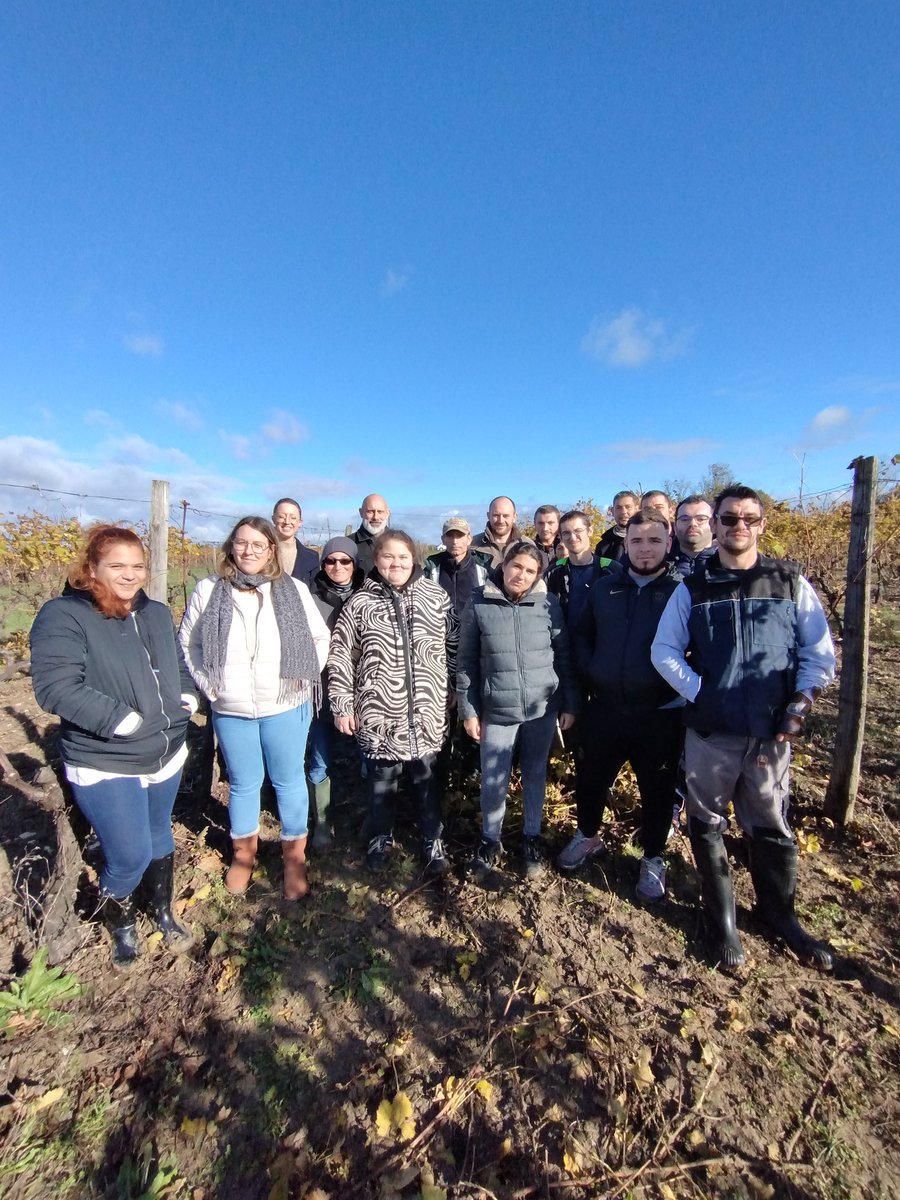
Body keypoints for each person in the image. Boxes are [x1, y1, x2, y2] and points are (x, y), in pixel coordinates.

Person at [651, 485, 836, 970]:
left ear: (761, 525)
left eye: (748, 519)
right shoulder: (693, 588)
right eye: (729, 518)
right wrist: (701, 692)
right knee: (707, 822)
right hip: (711, 732)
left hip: (770, 732)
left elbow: (818, 652)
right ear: (715, 525)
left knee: (770, 824)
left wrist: (801, 700)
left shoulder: (789, 582)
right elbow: (664, 651)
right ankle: (722, 922)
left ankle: (780, 914)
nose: (739, 527)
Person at [30, 524, 198, 970]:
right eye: (117, 566)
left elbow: (177, 663)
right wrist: (120, 721)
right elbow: (55, 687)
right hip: (108, 758)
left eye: (137, 566)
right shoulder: (65, 615)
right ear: (92, 568)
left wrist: (185, 697)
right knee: (128, 855)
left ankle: (162, 911)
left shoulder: (155, 613)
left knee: (159, 833)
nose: (129, 575)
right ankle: (121, 924)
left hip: (166, 751)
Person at [180, 516, 330, 900]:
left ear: (270, 551)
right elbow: (189, 643)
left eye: (257, 544)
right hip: (231, 708)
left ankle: (294, 858)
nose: (248, 551)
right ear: (231, 546)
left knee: (288, 780)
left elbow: (319, 637)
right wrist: (209, 685)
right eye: (242, 543)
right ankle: (243, 856)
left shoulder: (293, 589)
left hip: (285, 704)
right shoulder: (209, 590)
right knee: (243, 783)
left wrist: (303, 676)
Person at [558, 512, 682, 902]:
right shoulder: (604, 588)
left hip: (660, 713)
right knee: (590, 778)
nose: (645, 549)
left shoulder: (681, 592)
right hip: (605, 708)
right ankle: (587, 835)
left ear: (668, 543)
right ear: (625, 544)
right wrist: (592, 671)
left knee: (657, 789)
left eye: (654, 541)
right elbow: (582, 636)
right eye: (637, 541)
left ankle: (653, 857)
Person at [328, 529, 458, 876]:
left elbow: (454, 645)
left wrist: (454, 686)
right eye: (388, 556)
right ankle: (380, 837)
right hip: (379, 712)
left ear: (414, 559)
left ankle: (432, 839)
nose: (396, 563)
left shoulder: (435, 597)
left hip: (427, 710)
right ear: (376, 560)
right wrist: (342, 703)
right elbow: (341, 654)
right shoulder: (360, 603)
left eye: (403, 557)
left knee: (427, 779)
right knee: (382, 780)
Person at [457, 541, 578, 880]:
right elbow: (466, 662)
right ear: (505, 565)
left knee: (535, 773)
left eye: (530, 571)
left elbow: (563, 654)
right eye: (516, 566)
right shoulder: (479, 602)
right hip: (497, 710)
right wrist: (469, 710)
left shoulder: (548, 604)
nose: (521, 575)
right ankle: (490, 840)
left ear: (537, 575)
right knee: (493, 778)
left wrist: (569, 702)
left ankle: (531, 837)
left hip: (542, 709)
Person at [306, 536, 366, 848]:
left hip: (364, 688)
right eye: (330, 560)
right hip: (320, 687)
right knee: (320, 757)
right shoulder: (308, 597)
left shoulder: (369, 595)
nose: (337, 566)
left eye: (345, 561)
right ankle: (321, 823)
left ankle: (368, 818)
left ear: (355, 564)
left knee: (369, 757)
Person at [547, 510, 604, 632]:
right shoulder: (552, 573)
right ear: (561, 536)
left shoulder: (610, 570)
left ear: (590, 531)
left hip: (602, 642)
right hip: (563, 642)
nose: (572, 537)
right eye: (566, 533)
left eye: (578, 531)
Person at [424, 517, 491, 615]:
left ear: (469, 539)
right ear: (443, 539)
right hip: (441, 624)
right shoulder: (432, 569)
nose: (455, 541)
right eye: (450, 536)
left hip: (475, 624)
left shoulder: (484, 568)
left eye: (460, 536)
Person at [272, 497, 319, 587]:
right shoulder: (260, 552)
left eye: (293, 518)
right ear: (273, 519)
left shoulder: (312, 558)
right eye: (281, 517)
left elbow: (314, 592)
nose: (287, 522)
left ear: (300, 522)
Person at [471, 495, 526, 569]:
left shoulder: (527, 544)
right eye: (496, 515)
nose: (500, 521)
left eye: (506, 516)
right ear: (488, 516)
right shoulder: (473, 545)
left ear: (514, 517)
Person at [671, 495, 715, 577]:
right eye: (684, 519)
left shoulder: (728, 564)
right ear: (675, 527)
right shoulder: (659, 565)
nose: (692, 524)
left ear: (714, 524)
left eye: (701, 519)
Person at [350, 493, 390, 574]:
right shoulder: (349, 544)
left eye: (380, 512)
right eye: (370, 512)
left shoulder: (401, 543)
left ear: (387, 513)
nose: (375, 517)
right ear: (361, 513)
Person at [596, 491, 639, 562]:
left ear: (637, 510)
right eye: (618, 508)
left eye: (628, 507)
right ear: (612, 511)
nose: (623, 512)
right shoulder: (603, 546)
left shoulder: (648, 540)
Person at [533, 505, 561, 572]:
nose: (545, 528)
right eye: (541, 523)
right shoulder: (529, 550)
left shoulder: (568, 549)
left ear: (559, 524)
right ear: (535, 524)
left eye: (550, 523)